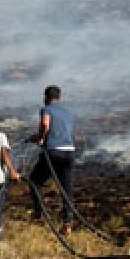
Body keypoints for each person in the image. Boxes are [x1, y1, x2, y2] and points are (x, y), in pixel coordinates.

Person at [27, 85, 77, 232]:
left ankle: (39, 215)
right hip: (69, 151)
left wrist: (39, 138)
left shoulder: (47, 109)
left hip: (53, 151)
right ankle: (67, 223)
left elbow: (45, 124)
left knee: (34, 181)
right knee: (66, 188)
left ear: (46, 97)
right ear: (59, 97)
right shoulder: (68, 112)